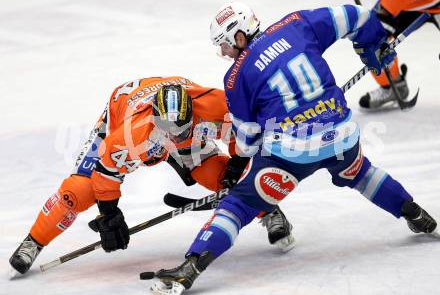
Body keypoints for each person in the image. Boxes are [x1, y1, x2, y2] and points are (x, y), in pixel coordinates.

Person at [144, 2, 438, 294]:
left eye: (224, 45)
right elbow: (357, 15)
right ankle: (416, 214)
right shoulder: (297, 24)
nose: (223, 53)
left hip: (291, 153)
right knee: (361, 173)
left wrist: (242, 174)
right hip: (342, 136)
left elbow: (247, 142)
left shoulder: (236, 77)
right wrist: (373, 44)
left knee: (239, 205)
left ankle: (190, 267)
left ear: (239, 37)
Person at [9, 77, 295, 276]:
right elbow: (106, 172)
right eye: (169, 131)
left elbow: (245, 137)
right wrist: (109, 215)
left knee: (221, 175)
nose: (175, 137)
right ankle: (34, 241)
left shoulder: (215, 106)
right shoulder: (131, 133)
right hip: (121, 110)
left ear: (192, 114)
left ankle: (267, 210)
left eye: (181, 129)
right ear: (156, 120)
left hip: (171, 123)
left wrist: (236, 164)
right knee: (78, 191)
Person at [335, 0, 440, 109]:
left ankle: (393, 84)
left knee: (371, 38)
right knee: (370, 38)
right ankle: (393, 86)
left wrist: (377, 33)